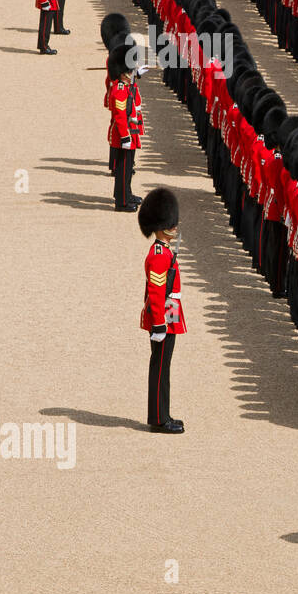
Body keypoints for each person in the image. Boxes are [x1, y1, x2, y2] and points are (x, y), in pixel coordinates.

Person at [138, 188, 186, 434]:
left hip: (170, 311)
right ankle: (158, 418)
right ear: (161, 225)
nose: (175, 226)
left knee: (164, 365)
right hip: (163, 315)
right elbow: (157, 294)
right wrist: (159, 324)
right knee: (160, 366)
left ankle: (163, 413)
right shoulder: (159, 255)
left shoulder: (164, 251)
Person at [107, 35, 144, 209]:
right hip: (125, 133)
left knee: (128, 168)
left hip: (131, 131)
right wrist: (125, 137)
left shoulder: (126, 85)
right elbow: (121, 115)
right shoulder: (120, 89)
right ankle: (121, 202)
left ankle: (126, 194)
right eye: (130, 71)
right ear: (123, 73)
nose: (132, 73)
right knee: (123, 169)